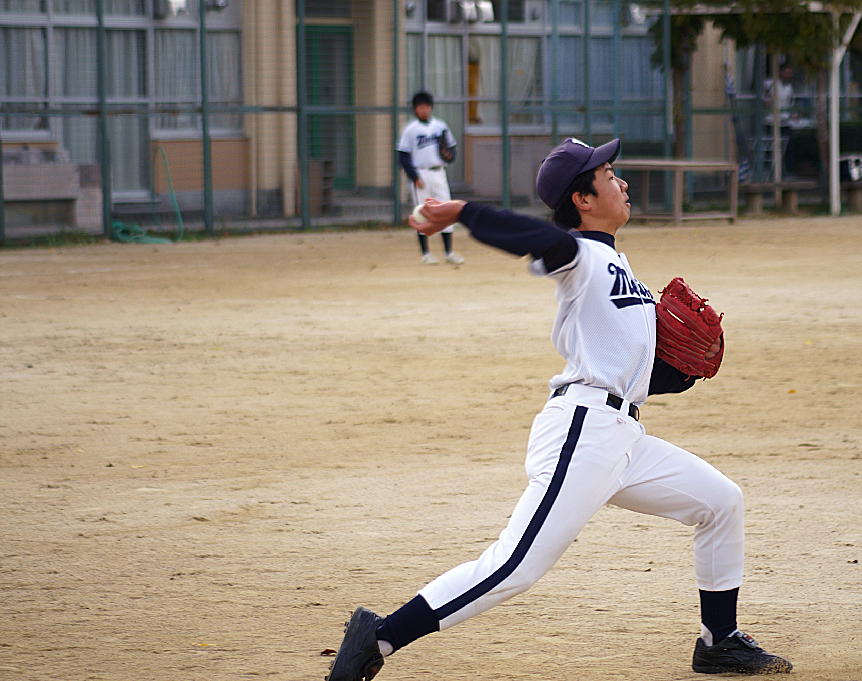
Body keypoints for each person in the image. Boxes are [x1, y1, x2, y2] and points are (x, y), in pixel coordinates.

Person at [326, 137, 793, 681]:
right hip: (582, 432)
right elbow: (539, 238)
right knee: (514, 567)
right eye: (609, 175)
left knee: (720, 502)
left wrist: (683, 374)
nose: (622, 182)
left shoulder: (620, 267)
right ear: (583, 200)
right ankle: (379, 637)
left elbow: (636, 372)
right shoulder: (581, 256)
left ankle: (719, 642)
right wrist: (462, 211)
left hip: (622, 436)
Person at [396, 91, 464, 265]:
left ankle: (449, 252)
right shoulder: (410, 129)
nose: (424, 110)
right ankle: (426, 253)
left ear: (431, 107)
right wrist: (414, 176)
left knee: (447, 210)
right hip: (421, 174)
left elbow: (451, 149)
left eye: (426, 106)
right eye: (420, 107)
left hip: (439, 172)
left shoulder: (440, 126)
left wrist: (450, 155)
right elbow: (402, 156)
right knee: (422, 213)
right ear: (415, 109)